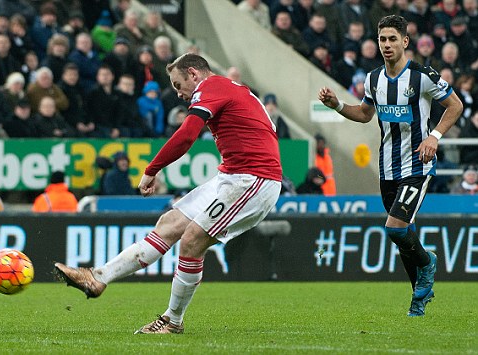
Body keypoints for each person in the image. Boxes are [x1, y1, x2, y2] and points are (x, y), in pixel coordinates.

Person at [55, 53, 282, 334]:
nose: (178, 93)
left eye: (178, 84)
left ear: (194, 74)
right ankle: (98, 277)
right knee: (169, 224)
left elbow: (187, 134)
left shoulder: (211, 87)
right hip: (232, 175)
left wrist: (152, 169)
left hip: (253, 179)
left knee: (191, 242)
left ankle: (172, 321)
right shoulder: (230, 88)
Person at [318, 15, 463, 317]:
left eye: (392, 39)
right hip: (387, 169)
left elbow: (455, 105)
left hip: (417, 166)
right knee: (403, 237)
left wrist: (434, 136)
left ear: (405, 42)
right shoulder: (373, 79)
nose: (386, 45)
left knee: (395, 229)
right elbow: (365, 113)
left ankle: (428, 263)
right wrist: (337, 105)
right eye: (382, 39)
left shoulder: (422, 76)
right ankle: (418, 299)